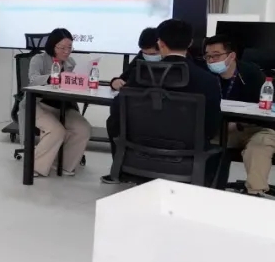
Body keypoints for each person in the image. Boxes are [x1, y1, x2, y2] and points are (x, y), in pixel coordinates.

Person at [103, 19, 222, 185]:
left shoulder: (141, 74)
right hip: (187, 157)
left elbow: (117, 111)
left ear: (160, 43)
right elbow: (211, 126)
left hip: (140, 151)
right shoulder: (207, 80)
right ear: (190, 43)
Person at [205, 34, 275, 197]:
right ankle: (210, 191)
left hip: (257, 128)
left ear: (231, 56)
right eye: (208, 56)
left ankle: (255, 194)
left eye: (216, 55)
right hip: (223, 129)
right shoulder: (207, 76)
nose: (211, 61)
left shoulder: (252, 74)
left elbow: (267, 108)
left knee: (259, 147)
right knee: (207, 146)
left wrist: (238, 124)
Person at [27, 28, 93, 177]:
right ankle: (35, 167)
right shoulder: (38, 59)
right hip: (39, 104)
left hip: (63, 106)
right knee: (56, 131)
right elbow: (33, 80)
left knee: (83, 128)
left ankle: (63, 165)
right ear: (52, 46)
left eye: (69, 47)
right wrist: (52, 78)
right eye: (62, 48)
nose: (66, 51)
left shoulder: (71, 62)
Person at [110, 27, 161, 91]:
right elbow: (124, 77)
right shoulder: (140, 57)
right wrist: (114, 82)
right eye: (145, 53)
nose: (148, 56)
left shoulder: (169, 60)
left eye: (152, 54)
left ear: (162, 48)